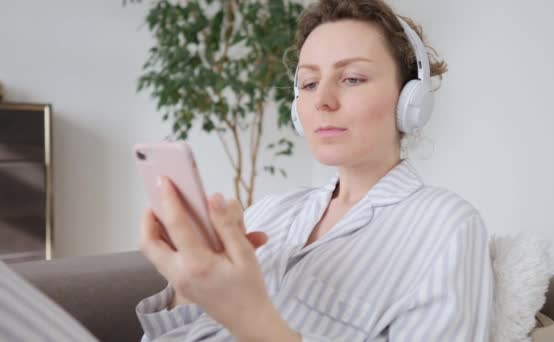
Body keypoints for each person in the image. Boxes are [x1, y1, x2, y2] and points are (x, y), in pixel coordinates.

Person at [136, 0, 494, 341]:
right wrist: (187, 289)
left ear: (410, 100)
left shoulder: (447, 227)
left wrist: (252, 320)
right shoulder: (269, 212)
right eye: (308, 83)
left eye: (352, 78)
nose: (322, 99)